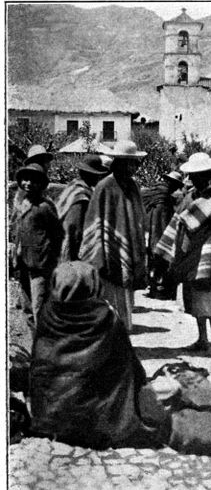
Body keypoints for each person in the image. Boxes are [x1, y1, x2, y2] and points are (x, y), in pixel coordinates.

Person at [30, 261, 169, 449]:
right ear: (93, 285)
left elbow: (39, 365)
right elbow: (129, 364)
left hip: (51, 417)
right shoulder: (105, 316)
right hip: (100, 420)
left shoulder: (47, 314)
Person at [155, 153, 211, 357]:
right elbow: (179, 219)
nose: (193, 179)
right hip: (193, 251)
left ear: (206, 174)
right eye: (192, 175)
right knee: (195, 295)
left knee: (208, 295)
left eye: (197, 175)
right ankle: (202, 339)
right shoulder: (193, 196)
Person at [79, 140, 148, 331]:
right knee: (110, 302)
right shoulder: (105, 186)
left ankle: (122, 338)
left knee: (125, 302)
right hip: (107, 254)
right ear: (118, 163)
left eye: (135, 164)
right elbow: (94, 223)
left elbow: (139, 218)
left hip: (128, 251)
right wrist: (97, 255)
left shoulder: (133, 186)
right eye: (129, 163)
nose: (133, 168)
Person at [9, 163, 64, 327]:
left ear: (41, 184)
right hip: (23, 262)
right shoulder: (21, 204)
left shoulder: (45, 207)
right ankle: (35, 339)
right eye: (25, 180)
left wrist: (49, 258)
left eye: (33, 181)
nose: (28, 184)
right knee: (27, 307)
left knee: (39, 306)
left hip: (40, 265)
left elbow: (58, 234)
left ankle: (45, 339)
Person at [55, 155, 109, 262]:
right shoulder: (81, 196)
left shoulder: (72, 186)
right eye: (97, 175)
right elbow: (74, 230)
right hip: (68, 246)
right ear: (91, 175)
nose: (99, 178)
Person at [142, 170, 184, 299]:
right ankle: (160, 286)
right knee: (162, 252)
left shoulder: (155, 190)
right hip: (161, 226)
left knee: (154, 253)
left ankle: (153, 284)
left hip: (151, 225)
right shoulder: (167, 195)